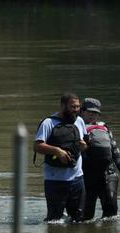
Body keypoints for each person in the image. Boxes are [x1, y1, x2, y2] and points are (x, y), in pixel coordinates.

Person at [33, 92, 88, 222]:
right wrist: (57, 151)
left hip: (77, 179)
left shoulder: (79, 121)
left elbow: (85, 143)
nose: (76, 110)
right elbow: (37, 146)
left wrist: (84, 146)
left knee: (79, 219)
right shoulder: (48, 123)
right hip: (55, 180)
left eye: (77, 107)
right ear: (62, 106)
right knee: (54, 221)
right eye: (72, 107)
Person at [80, 97, 120, 220]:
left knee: (111, 213)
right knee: (86, 216)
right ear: (82, 111)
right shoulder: (76, 127)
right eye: (90, 112)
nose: (93, 115)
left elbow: (115, 150)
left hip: (108, 173)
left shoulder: (104, 127)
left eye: (96, 113)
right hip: (87, 175)